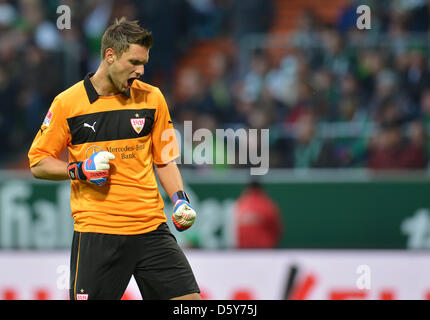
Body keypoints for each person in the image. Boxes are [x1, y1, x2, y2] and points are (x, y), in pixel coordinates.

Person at [28, 18, 201, 300]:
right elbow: (38, 162)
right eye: (134, 62)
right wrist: (80, 169)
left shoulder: (153, 98)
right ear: (110, 55)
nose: (141, 70)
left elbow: (165, 160)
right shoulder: (67, 103)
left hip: (151, 228)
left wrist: (180, 199)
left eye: (143, 62)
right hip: (98, 232)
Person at [234, 181, 283, 248]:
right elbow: (277, 229)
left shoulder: (240, 204)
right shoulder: (267, 205)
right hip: (264, 250)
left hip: (245, 251)